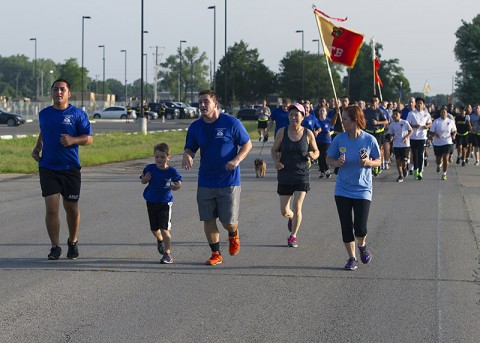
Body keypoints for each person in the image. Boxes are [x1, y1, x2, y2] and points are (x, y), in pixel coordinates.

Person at [182, 90, 252, 265]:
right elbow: (190, 147)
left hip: (228, 180)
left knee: (228, 222)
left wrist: (236, 160)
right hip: (206, 179)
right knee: (208, 218)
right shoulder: (196, 127)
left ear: (215, 104)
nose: (202, 105)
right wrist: (187, 155)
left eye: (206, 101)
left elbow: (247, 144)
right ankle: (216, 254)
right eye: (200, 102)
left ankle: (233, 235)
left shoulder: (231, 123)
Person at [31, 79, 93, 260]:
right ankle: (55, 247)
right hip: (48, 167)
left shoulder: (77, 114)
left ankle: (72, 241)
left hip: (70, 168)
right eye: (55, 89)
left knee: (71, 208)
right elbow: (44, 131)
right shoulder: (44, 114)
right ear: (51, 93)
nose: (59, 92)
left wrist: (73, 140)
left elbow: (89, 138)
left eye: (62, 89)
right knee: (51, 208)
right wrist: (37, 148)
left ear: (68, 93)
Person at [326, 105, 381, 271]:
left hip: (363, 189)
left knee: (360, 227)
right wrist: (336, 163)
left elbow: (379, 160)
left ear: (355, 120)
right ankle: (352, 258)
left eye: (345, 119)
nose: (342, 122)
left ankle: (362, 245)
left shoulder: (369, 140)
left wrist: (368, 163)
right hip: (342, 188)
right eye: (342, 119)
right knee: (346, 226)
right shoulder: (339, 139)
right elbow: (328, 158)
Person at [271, 103, 319, 248]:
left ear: (303, 117)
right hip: (285, 174)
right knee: (284, 211)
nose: (293, 117)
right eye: (291, 114)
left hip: (301, 174)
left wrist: (313, 155)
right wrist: (276, 162)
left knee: (297, 207)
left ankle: (293, 236)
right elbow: (274, 150)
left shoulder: (308, 133)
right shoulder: (282, 131)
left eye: (296, 115)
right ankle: (292, 218)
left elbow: (317, 151)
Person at [140, 143, 182, 264]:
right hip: (151, 201)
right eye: (157, 157)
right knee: (154, 229)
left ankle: (167, 254)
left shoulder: (172, 172)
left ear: (168, 157)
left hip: (165, 203)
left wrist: (176, 186)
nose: (159, 159)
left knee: (165, 229)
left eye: (162, 157)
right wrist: (145, 180)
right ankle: (159, 240)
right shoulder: (150, 169)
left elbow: (178, 184)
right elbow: (142, 180)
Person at [406, 97, 432, 180]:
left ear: (423, 105)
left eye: (421, 103)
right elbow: (407, 124)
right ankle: (415, 169)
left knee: (421, 154)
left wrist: (427, 126)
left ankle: (420, 171)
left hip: (422, 137)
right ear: (415, 104)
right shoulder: (411, 114)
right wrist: (414, 126)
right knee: (414, 154)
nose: (419, 105)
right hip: (413, 137)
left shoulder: (426, 114)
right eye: (418, 103)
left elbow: (430, 123)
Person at [429, 107, 457, 180]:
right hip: (438, 143)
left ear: (447, 113)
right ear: (440, 113)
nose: (443, 113)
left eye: (444, 112)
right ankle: (439, 165)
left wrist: (453, 135)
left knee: (445, 157)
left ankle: (444, 173)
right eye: (442, 112)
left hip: (447, 142)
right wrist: (435, 134)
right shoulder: (436, 121)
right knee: (438, 159)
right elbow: (431, 132)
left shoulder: (451, 121)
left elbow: (454, 130)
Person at [363, 96, 388, 176]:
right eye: (371, 103)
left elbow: (386, 121)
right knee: (368, 150)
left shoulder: (380, 111)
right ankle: (370, 165)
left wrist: (377, 123)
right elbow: (360, 119)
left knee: (378, 149)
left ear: (377, 103)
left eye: (374, 103)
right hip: (368, 132)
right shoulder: (366, 111)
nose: (373, 105)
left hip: (378, 133)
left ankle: (377, 165)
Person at [388, 110, 413, 182]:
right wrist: (391, 137)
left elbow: (411, 131)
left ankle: (405, 167)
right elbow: (391, 134)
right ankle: (400, 175)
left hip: (405, 144)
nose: (395, 116)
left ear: (400, 115)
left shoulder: (405, 122)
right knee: (398, 161)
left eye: (396, 114)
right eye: (394, 114)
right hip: (396, 145)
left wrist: (407, 137)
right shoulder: (392, 124)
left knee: (404, 160)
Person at [315, 106, 333, 178]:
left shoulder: (329, 121)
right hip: (318, 140)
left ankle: (327, 169)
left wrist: (330, 133)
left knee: (324, 156)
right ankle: (322, 171)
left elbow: (333, 130)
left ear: (326, 113)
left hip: (326, 141)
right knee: (319, 156)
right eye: (321, 111)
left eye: (323, 111)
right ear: (319, 112)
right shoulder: (316, 121)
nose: (322, 112)